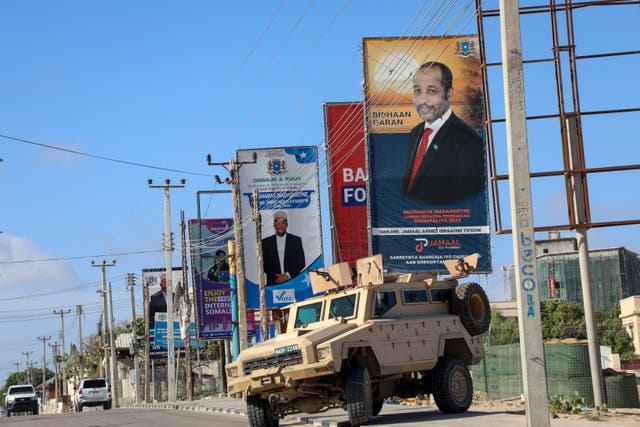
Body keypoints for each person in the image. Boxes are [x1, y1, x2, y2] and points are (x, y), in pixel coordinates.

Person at [401, 61, 486, 205]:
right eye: (417, 91)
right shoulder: (416, 133)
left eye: (432, 91)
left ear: (449, 93)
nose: (422, 100)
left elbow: (470, 197)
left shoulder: (469, 140)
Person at [261, 210, 305, 286]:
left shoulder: (296, 240)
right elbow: (264, 264)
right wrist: (276, 278)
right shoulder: (266, 242)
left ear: (286, 225)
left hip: (293, 282)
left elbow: (301, 262)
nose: (280, 226)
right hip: (273, 284)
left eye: (283, 223)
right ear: (274, 225)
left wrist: (287, 276)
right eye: (278, 223)